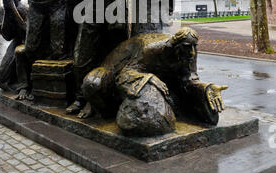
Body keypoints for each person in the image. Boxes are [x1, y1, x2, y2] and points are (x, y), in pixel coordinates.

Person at [82, 27, 228, 132]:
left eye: (194, 47)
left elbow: (189, 80)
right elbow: (124, 74)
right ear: (174, 46)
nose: (192, 52)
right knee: (94, 83)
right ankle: (103, 109)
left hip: (160, 82)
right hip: (111, 73)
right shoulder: (150, 50)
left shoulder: (189, 52)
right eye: (186, 47)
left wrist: (206, 87)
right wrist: (150, 77)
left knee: (205, 113)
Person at [66, 0, 128, 115]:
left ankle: (110, 97)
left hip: (115, 14)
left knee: (116, 58)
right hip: (91, 13)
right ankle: (82, 97)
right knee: (82, 58)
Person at [0, 0, 28, 94]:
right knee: (1, 81)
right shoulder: (1, 11)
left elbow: (27, 30)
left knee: (19, 53)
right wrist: (7, 10)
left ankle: (25, 86)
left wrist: (13, 8)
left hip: (28, 41)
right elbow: (7, 36)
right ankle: (18, 84)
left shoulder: (25, 8)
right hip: (16, 41)